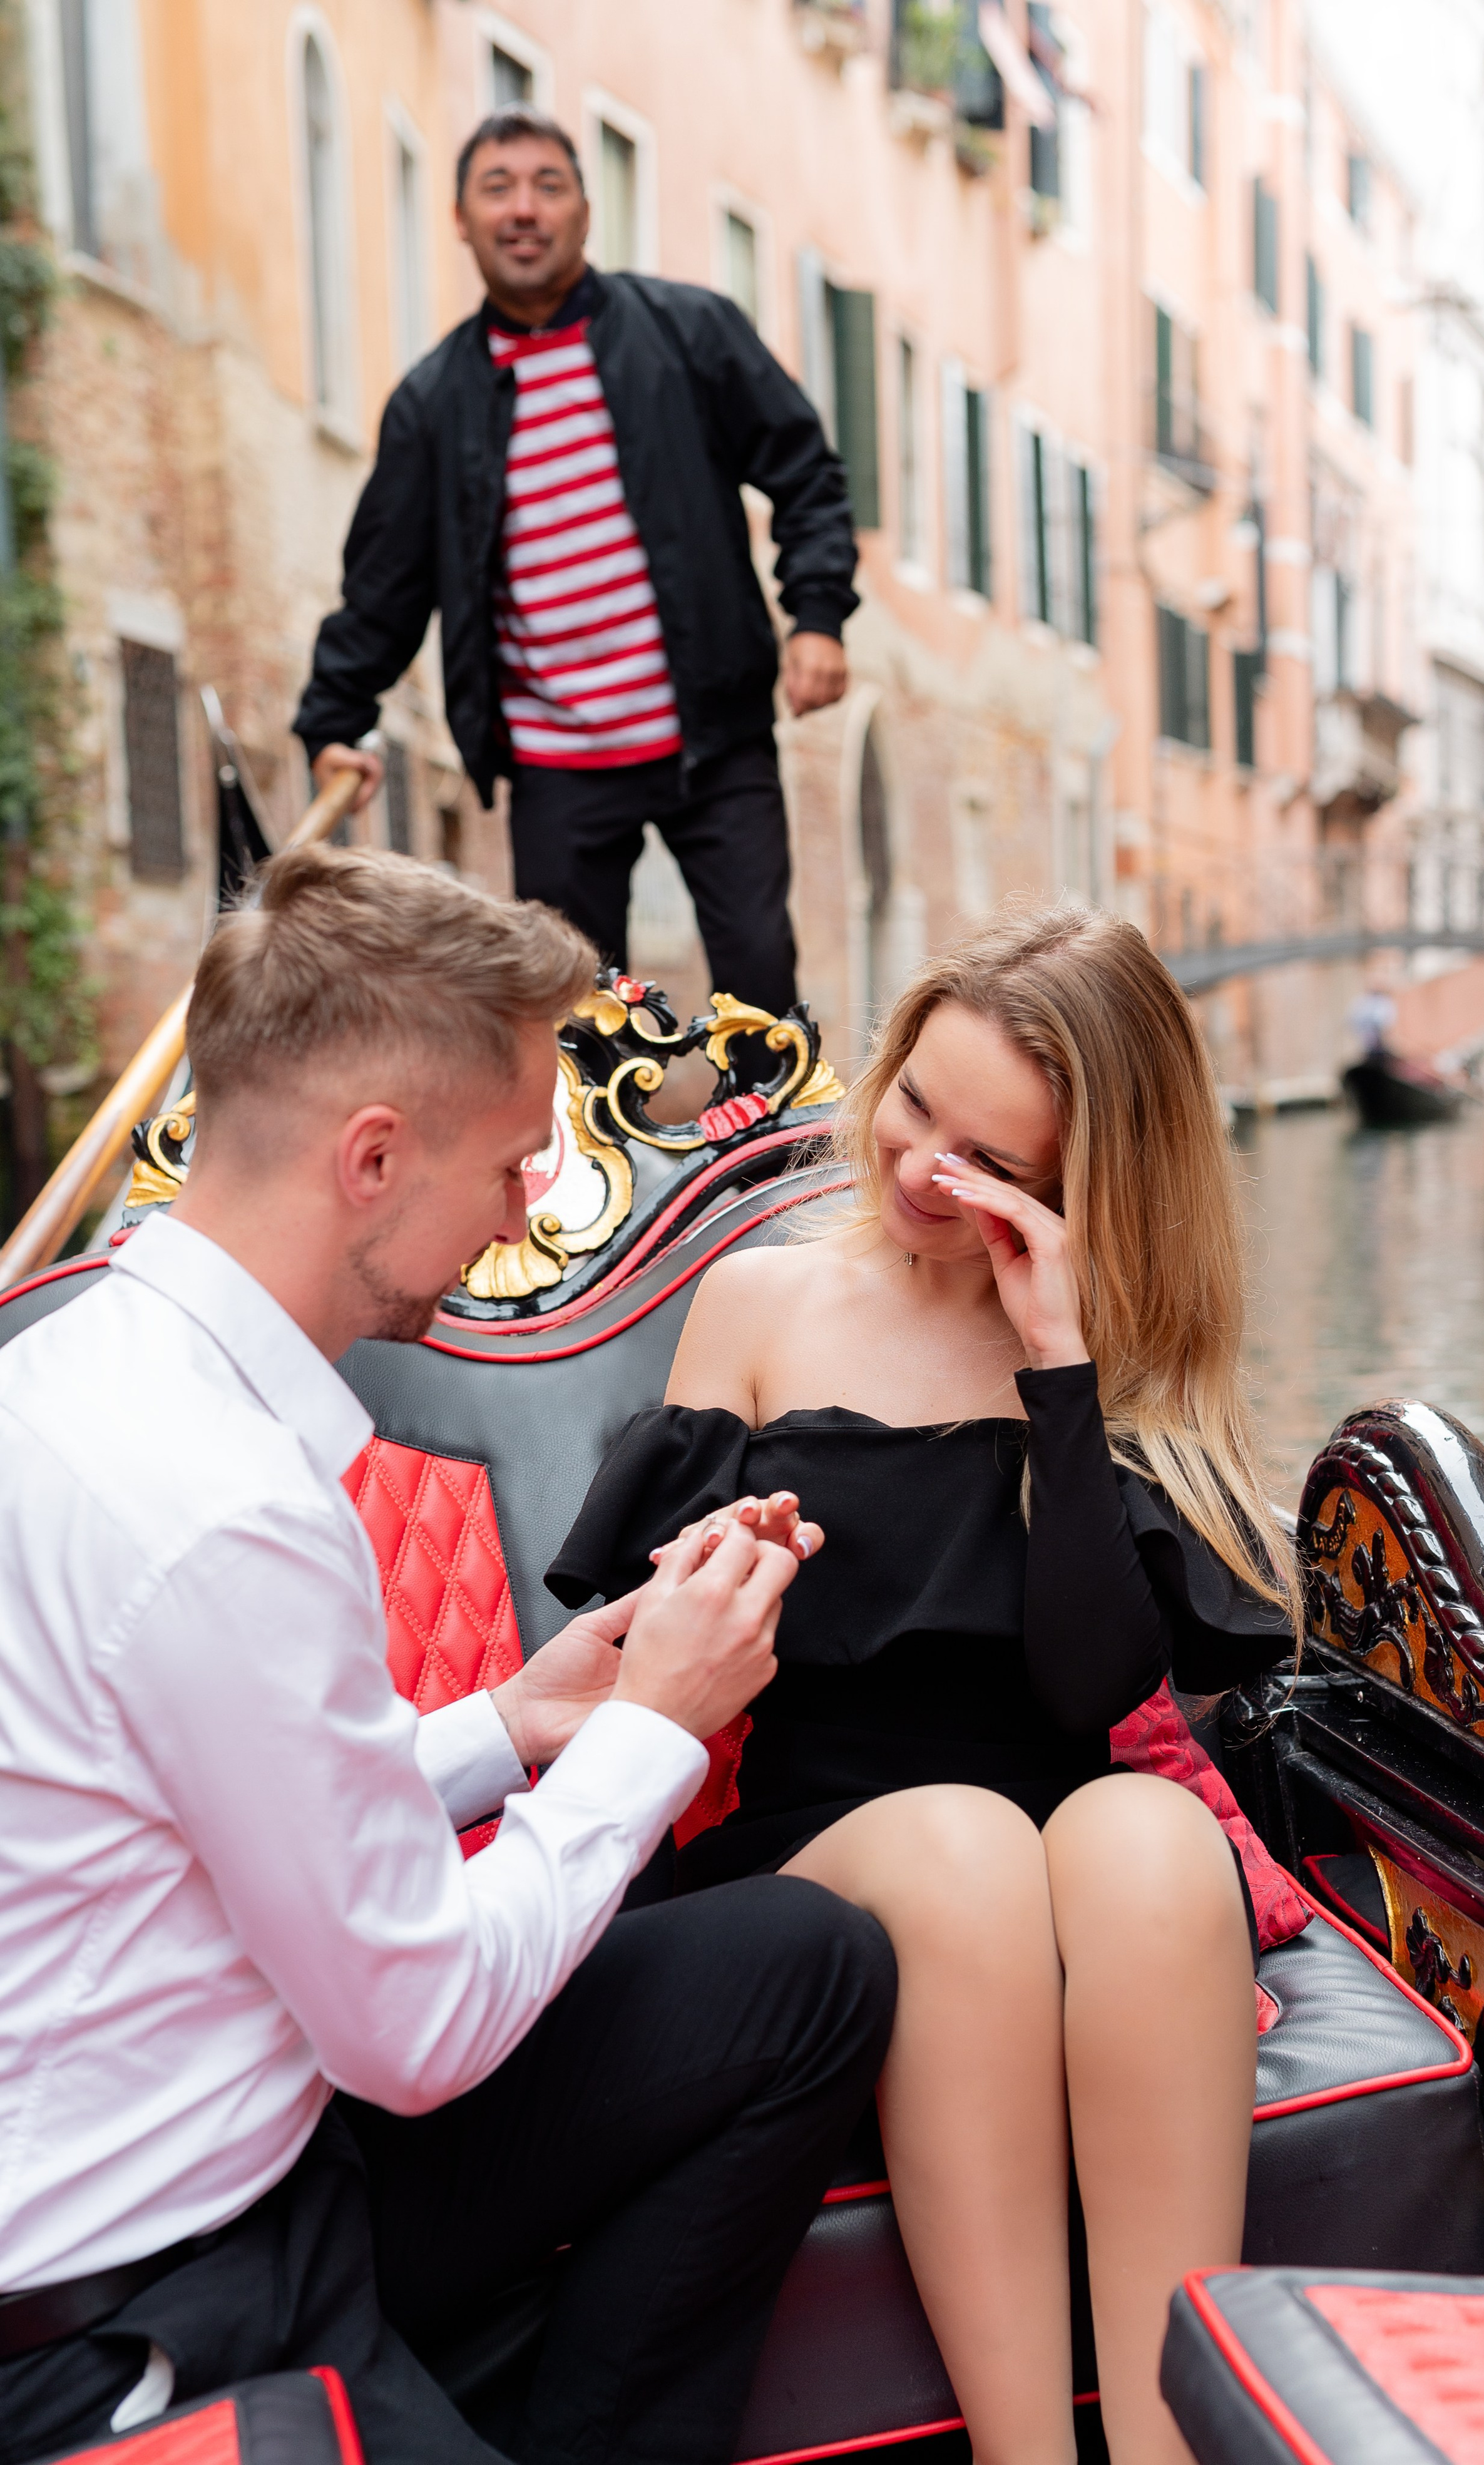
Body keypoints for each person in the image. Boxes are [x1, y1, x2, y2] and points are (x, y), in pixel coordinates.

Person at [0, 846, 895, 2465]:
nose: (530, 1206)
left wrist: (521, 1719)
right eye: (510, 1164)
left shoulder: (88, 1378)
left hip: (263, 2155)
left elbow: (219, 1806)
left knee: (803, 1970)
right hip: (136, 2305)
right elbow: (414, 2033)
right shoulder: (219, 1509)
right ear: (371, 1159)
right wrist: (660, 1731)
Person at [548, 905, 1302, 2465]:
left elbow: (1095, 1688)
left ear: (1075, 1190)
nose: (914, 1168)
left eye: (984, 1162)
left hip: (1056, 1844)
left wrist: (1058, 1370)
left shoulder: (1121, 1351)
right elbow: (638, 1664)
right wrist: (715, 1570)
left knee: (1152, 1837)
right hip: (811, 1853)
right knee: (963, 1843)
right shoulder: (758, 1306)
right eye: (911, 1106)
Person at [294, 108, 858, 1019]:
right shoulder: (432, 406)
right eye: (497, 189)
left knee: (761, 988)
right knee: (575, 1018)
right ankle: (602, 1168)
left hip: (714, 735)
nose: (524, 209)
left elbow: (806, 474)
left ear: (585, 213)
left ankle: (767, 1164)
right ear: (461, 219)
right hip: (556, 765)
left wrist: (819, 616)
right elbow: (383, 589)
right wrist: (334, 721)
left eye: (547, 186)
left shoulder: (691, 333)